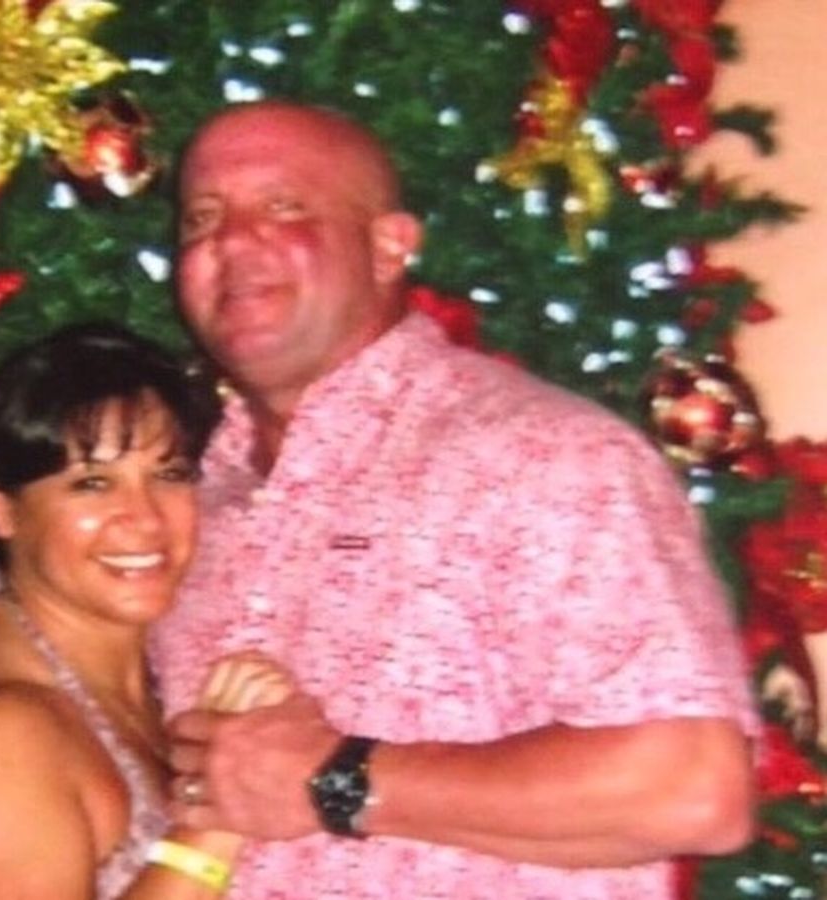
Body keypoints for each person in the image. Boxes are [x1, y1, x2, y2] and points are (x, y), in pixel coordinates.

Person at [153, 100, 759, 899]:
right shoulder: (177, 510)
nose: (230, 241)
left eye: (284, 206)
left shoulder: (544, 457)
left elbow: (693, 788)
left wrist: (339, 779)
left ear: (389, 246)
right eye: (201, 219)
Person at [0, 322, 292, 899]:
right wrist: (217, 814)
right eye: (93, 483)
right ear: (1, 511)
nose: (145, 518)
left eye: (169, 474)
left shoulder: (157, 676)